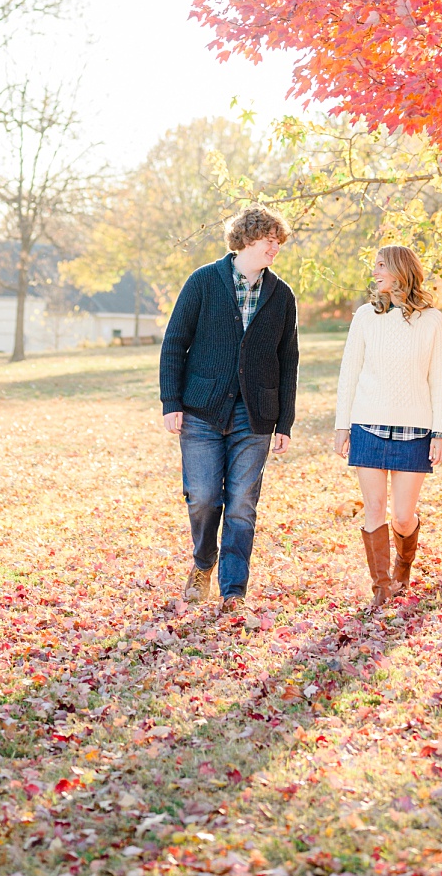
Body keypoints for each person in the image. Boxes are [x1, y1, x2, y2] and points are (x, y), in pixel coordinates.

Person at [159, 207, 300, 616]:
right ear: (245, 238)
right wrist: (171, 401)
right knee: (203, 497)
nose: (275, 246)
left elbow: (287, 360)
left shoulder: (282, 295)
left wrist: (285, 421)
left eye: (279, 240)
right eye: (268, 238)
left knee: (242, 503)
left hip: (255, 416)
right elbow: (174, 342)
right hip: (201, 411)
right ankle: (204, 563)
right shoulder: (203, 281)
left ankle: (233, 590)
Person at [332, 245, 442, 604]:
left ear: (401, 270)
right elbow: (349, 373)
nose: (375, 272)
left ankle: (404, 562)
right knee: (373, 509)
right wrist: (342, 426)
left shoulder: (432, 320)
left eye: (381, 266)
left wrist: (440, 431)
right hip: (367, 426)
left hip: (414, 431)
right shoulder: (365, 317)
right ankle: (381, 588)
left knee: (402, 516)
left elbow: (441, 379)